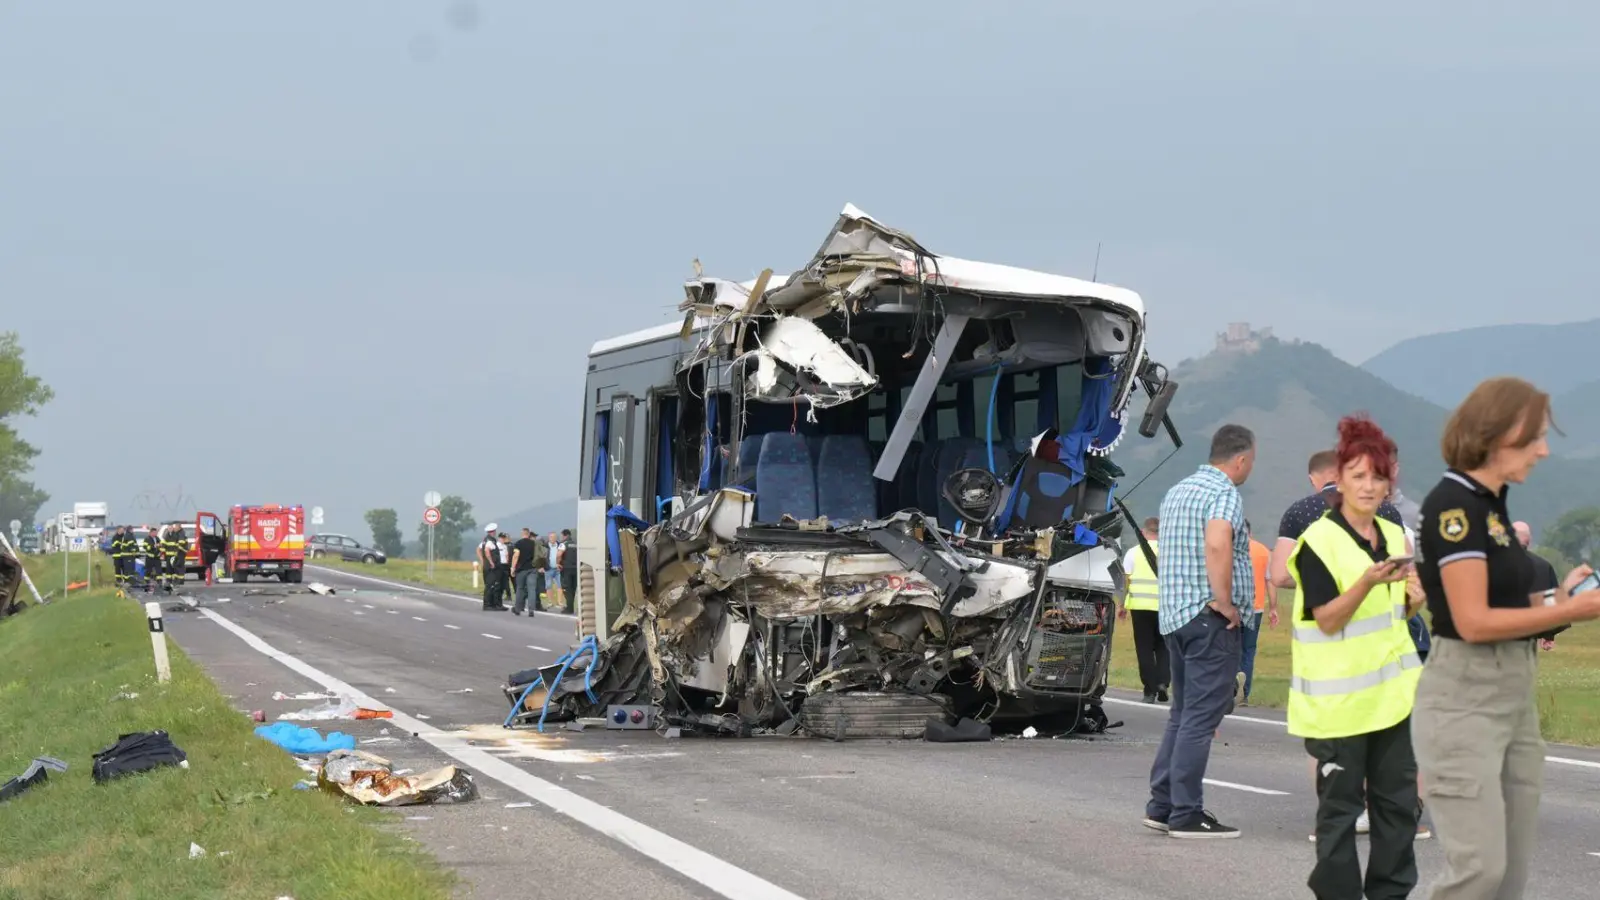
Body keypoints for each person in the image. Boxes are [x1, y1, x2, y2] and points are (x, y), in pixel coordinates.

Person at [1413, 377, 1600, 900]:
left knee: (1510, 877)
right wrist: (1576, 609)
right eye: (1536, 436)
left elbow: (1507, 604)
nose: (1543, 450)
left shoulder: (1493, 506)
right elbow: (1472, 621)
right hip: (1466, 696)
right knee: (1479, 872)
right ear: (1498, 434)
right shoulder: (1455, 507)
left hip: (1514, 695)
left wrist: (1559, 601)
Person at [1286, 415, 1424, 900]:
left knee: (1398, 809)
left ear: (1391, 482)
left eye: (1378, 477)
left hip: (1392, 700)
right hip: (1338, 706)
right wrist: (1366, 581)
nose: (1369, 486)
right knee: (1340, 815)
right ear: (1339, 479)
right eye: (1359, 476)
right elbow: (1326, 619)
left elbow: (1394, 614)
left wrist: (1413, 597)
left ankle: (1390, 893)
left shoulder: (1392, 536)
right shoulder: (1318, 542)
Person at [1141, 424, 1256, 840]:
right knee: (1201, 719)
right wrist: (1224, 599)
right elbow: (1217, 543)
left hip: (1175, 617)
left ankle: (1162, 805)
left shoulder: (1178, 491)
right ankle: (1187, 813)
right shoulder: (1224, 492)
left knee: (1181, 715)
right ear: (1241, 459)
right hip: (1210, 619)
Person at [1120, 516, 1168, 704]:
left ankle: (1150, 690)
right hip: (1164, 607)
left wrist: (1122, 604)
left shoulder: (1133, 553)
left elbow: (1126, 581)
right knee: (1164, 646)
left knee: (1145, 649)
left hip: (1140, 607)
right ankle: (1163, 681)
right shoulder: (1170, 553)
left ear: (1143, 532)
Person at [1237, 519, 1276, 706]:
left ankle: (1231, 690)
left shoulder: (1230, 549)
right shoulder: (1263, 551)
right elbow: (1271, 581)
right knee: (1248, 650)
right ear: (1250, 532)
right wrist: (1274, 608)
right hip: (1256, 608)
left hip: (1232, 607)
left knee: (1231, 649)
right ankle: (1244, 694)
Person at [1513, 520, 1565, 651]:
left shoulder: (1493, 564)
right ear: (1528, 540)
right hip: (1530, 636)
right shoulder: (1544, 566)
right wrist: (1549, 635)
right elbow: (1553, 602)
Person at [510, 528, 544, 617]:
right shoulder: (534, 544)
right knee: (531, 589)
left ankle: (517, 609)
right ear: (529, 534)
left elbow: (516, 556)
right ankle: (531, 610)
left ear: (522, 534)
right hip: (533, 569)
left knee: (520, 588)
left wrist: (513, 567)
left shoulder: (518, 543)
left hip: (521, 569)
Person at [477, 524, 506, 611]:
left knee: (492, 585)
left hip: (488, 566)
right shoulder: (490, 541)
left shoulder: (485, 540)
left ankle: (494, 604)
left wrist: (483, 560)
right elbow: (487, 551)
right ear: (492, 532)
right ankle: (488, 605)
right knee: (491, 585)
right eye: (494, 531)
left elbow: (479, 549)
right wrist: (490, 562)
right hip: (491, 567)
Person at [559, 528, 577, 615]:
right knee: (573, 589)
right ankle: (570, 606)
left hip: (566, 569)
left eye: (561, 535)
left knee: (567, 588)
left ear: (565, 535)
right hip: (576, 569)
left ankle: (569, 608)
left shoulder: (563, 544)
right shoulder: (576, 544)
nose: (561, 537)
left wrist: (558, 563)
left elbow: (559, 555)